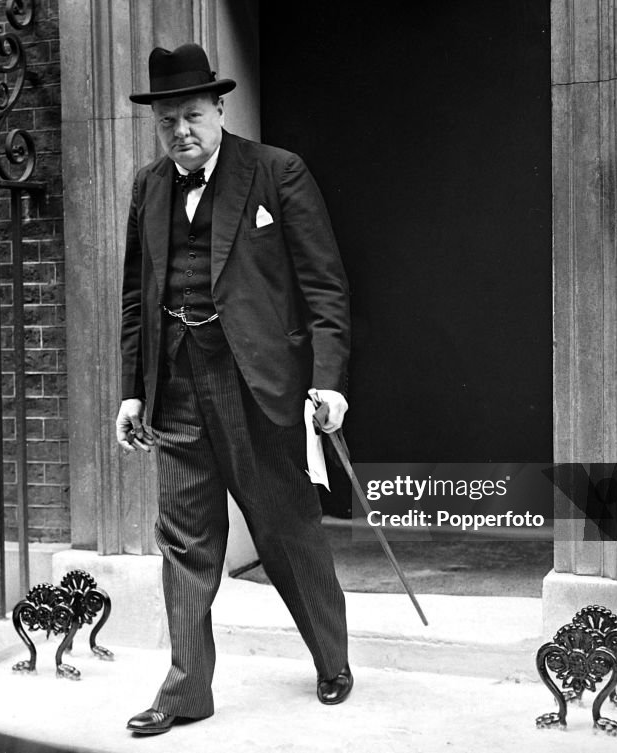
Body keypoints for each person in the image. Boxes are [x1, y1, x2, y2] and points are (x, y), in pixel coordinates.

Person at [115, 42, 353, 736]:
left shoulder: (277, 173)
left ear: (219, 108)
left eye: (192, 115)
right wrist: (133, 391)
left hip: (258, 388)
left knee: (285, 530)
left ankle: (332, 658)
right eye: (167, 122)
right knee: (185, 542)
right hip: (177, 390)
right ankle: (186, 689)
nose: (180, 132)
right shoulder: (148, 185)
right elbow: (138, 297)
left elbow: (324, 288)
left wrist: (329, 382)